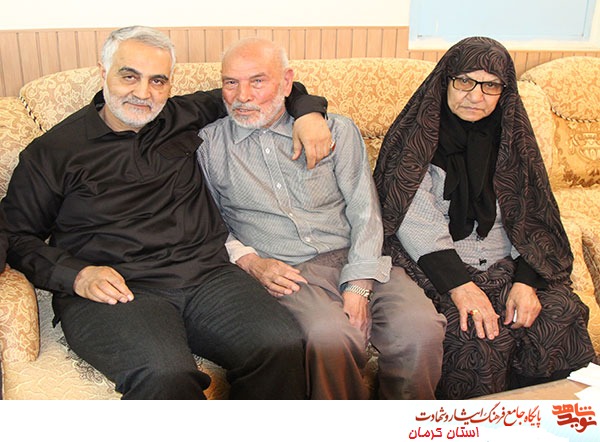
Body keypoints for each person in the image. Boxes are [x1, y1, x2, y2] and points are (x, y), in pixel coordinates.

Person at [1, 26, 333, 400]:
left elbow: (267, 92)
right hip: (118, 289)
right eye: (129, 76)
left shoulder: (182, 115)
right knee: (166, 375)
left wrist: (308, 114)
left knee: (281, 345)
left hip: (207, 276)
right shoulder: (53, 152)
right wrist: (77, 275)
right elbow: (16, 235)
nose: (144, 93)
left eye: (157, 80)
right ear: (103, 73)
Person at [197, 37, 446, 400]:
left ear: (287, 82)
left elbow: (365, 209)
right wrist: (252, 263)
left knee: (420, 329)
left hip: (357, 257)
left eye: (258, 81)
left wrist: (359, 283)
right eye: (230, 82)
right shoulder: (208, 146)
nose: (242, 96)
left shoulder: (336, 131)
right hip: (289, 272)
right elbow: (210, 226)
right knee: (329, 338)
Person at [373, 36, 596, 399]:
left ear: (504, 92)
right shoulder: (416, 141)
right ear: (445, 81)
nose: (476, 96)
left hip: (506, 265)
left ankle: (549, 421)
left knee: (560, 312)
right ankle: (475, 424)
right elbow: (416, 223)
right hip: (437, 269)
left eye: (491, 85)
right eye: (465, 81)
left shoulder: (514, 142)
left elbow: (533, 218)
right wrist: (462, 288)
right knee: (474, 332)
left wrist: (525, 282)